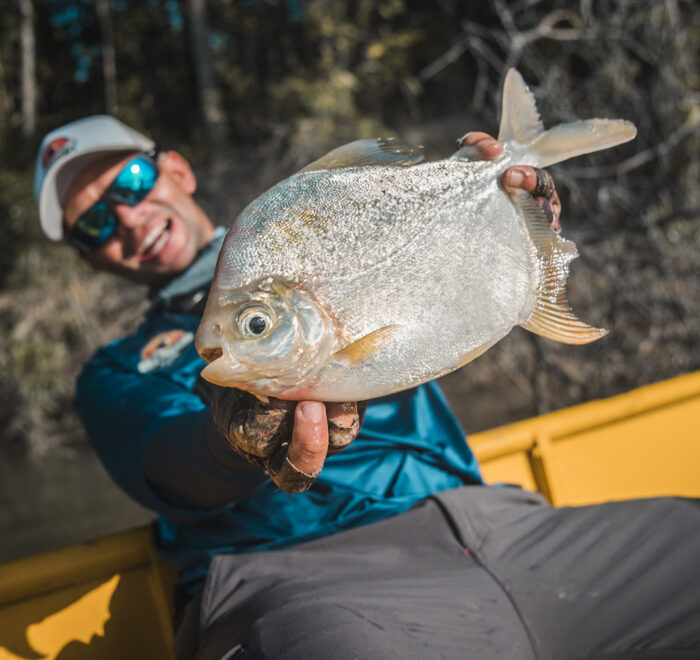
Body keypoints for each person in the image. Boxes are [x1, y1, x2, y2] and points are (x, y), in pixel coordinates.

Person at [35, 116, 700, 659]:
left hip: (496, 525)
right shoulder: (115, 370)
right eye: (91, 224)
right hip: (299, 585)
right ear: (85, 254)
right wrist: (234, 441)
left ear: (175, 169)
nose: (124, 219)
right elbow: (169, 467)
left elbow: (444, 296)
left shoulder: (318, 229)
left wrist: (512, 230)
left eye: (130, 181)